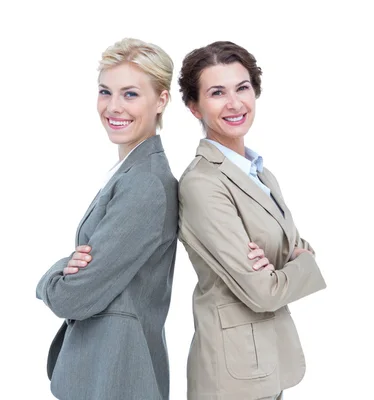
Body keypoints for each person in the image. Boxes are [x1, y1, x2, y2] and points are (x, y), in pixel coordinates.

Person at [177, 41, 327, 400]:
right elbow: (263, 291)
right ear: (194, 107)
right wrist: (299, 265)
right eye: (217, 93)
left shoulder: (261, 174)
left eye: (242, 88)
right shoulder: (202, 183)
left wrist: (290, 260)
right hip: (232, 375)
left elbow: (298, 246)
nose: (234, 103)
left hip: (268, 362)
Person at [36, 38, 178, 400]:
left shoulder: (144, 185)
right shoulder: (129, 174)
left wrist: (52, 275)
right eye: (105, 92)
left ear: (161, 100)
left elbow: (73, 297)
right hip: (106, 373)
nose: (113, 107)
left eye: (130, 94)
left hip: (118, 376)